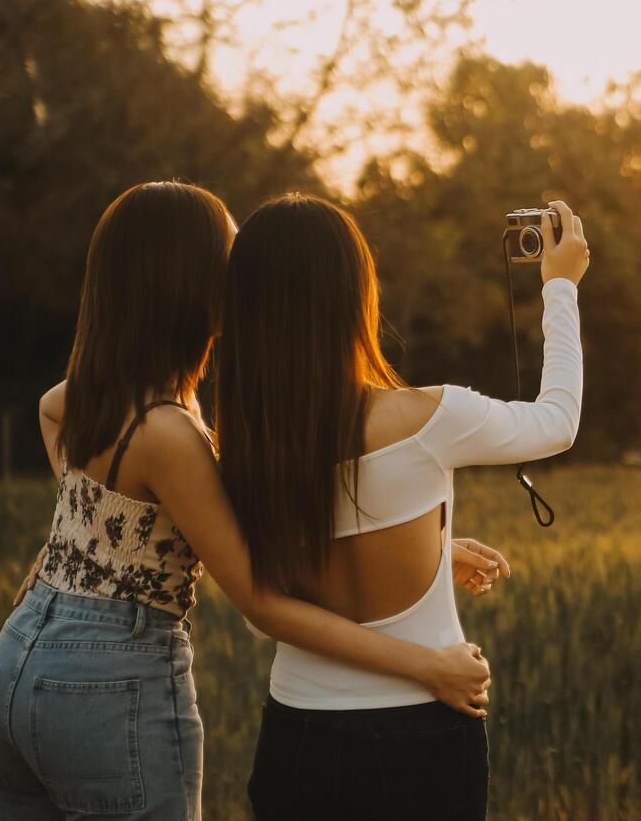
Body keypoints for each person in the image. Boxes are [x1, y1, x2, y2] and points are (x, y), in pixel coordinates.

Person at [0, 182, 504, 820]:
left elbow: (48, 410)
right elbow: (262, 600)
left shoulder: (110, 395)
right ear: (192, 284)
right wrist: (428, 668)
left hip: (17, 658)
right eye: (234, 258)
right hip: (106, 678)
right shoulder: (172, 434)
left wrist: (89, 545)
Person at [214, 194, 588, 820]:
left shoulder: (238, 454)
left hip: (296, 736)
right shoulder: (429, 418)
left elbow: (268, 611)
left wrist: (433, 550)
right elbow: (557, 421)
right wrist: (560, 286)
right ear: (353, 295)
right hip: (421, 733)